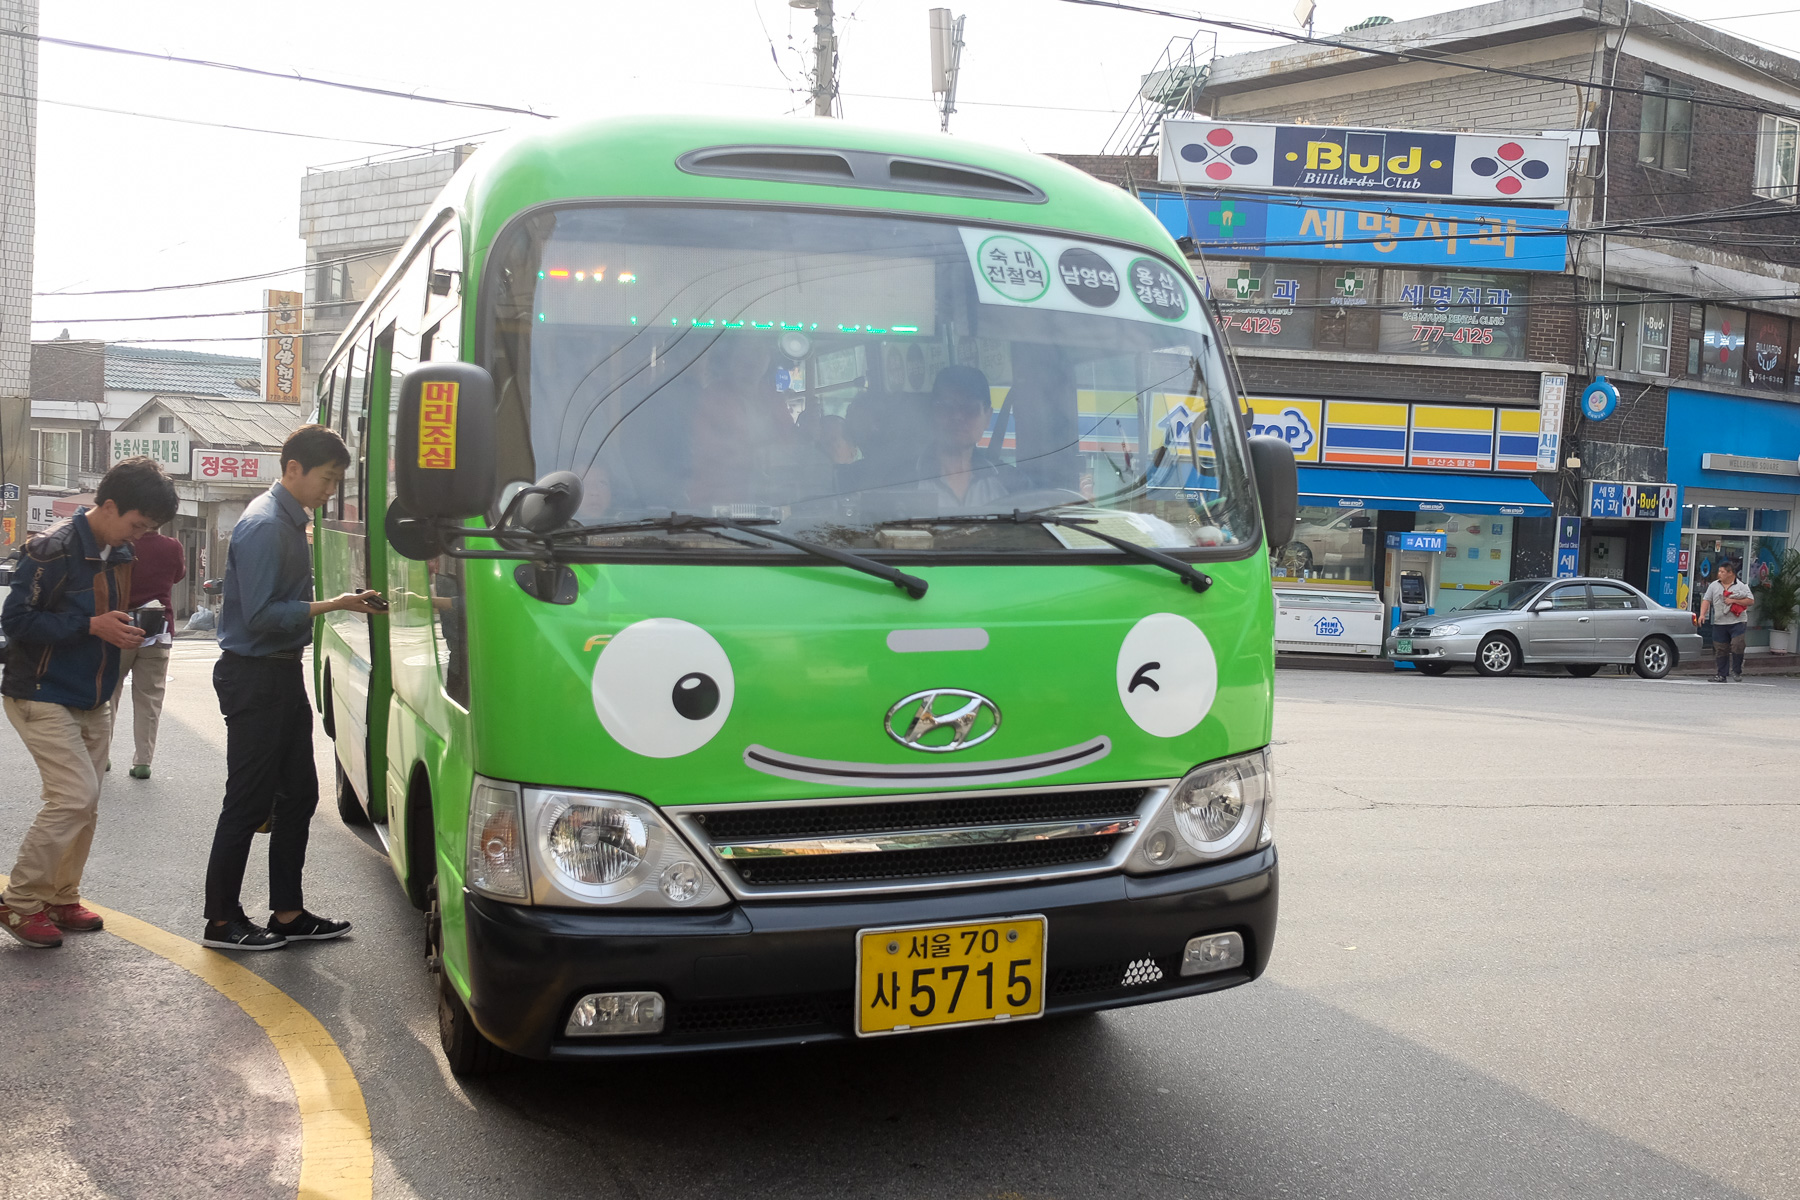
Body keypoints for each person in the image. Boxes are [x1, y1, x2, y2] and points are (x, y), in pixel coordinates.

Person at [201, 425, 383, 951]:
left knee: (299, 795)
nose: (330, 491)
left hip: (279, 672)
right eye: (326, 480)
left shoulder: (286, 521)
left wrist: (337, 599)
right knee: (247, 801)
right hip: (255, 675)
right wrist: (335, 605)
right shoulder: (265, 526)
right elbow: (259, 617)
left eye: (336, 481)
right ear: (293, 469)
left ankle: (287, 912)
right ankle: (220, 921)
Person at [0, 457, 178, 949]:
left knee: (87, 803)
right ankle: (19, 902)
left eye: (147, 530)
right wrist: (91, 626)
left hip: (93, 692)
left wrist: (122, 625)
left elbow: (104, 614)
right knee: (75, 796)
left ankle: (62, 895)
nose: (138, 537)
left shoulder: (120, 551)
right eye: (136, 525)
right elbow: (16, 622)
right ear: (110, 505)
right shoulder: (49, 549)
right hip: (39, 690)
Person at [110, 525, 186, 779]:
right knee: (150, 698)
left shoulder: (119, 542)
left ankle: (101, 755)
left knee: (108, 692)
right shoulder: (172, 546)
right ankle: (142, 761)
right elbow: (178, 576)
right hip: (158, 627)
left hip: (119, 626)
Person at [917, 365, 1011, 513]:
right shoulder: (905, 480)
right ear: (932, 413)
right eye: (947, 407)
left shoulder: (1009, 482)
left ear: (988, 417)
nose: (957, 417)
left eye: (969, 408)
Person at [1696, 560, 1754, 682]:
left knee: (1737, 645)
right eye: (1719, 571)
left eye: (1722, 572)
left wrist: (1734, 601)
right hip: (1720, 622)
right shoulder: (1714, 586)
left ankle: (1737, 670)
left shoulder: (1741, 586)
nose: (1719, 574)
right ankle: (1721, 674)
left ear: (1730, 573)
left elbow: (1750, 601)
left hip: (1738, 622)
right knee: (1721, 648)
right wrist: (1702, 615)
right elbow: (1706, 600)